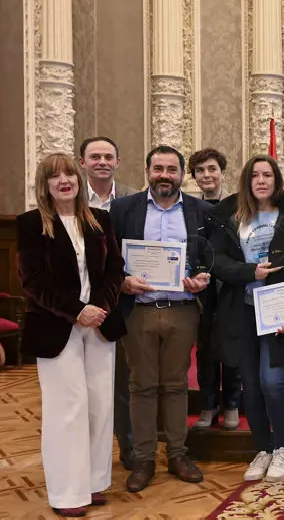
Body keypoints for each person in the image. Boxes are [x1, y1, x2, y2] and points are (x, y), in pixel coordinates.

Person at [17, 153, 126, 517]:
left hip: (99, 324)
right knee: (68, 409)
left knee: (98, 405)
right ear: (44, 185)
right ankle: (66, 493)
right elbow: (33, 281)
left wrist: (98, 308)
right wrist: (76, 311)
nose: (64, 180)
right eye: (55, 176)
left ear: (79, 180)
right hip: (55, 326)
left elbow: (114, 270)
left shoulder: (100, 220)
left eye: (69, 174)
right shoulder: (31, 223)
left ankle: (93, 482)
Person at [207, 154, 284, 483]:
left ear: (276, 180)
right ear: (246, 180)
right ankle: (263, 448)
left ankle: (283, 448)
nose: (260, 181)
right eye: (254, 175)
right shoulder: (230, 216)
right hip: (242, 309)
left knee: (272, 381)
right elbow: (216, 261)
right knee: (250, 386)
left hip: (279, 310)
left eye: (267, 175)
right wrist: (248, 271)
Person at [109, 146, 212, 492]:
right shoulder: (123, 209)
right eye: (158, 168)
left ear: (183, 174)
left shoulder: (202, 210)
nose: (164, 175)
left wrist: (203, 278)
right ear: (147, 171)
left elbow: (210, 258)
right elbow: (108, 257)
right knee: (141, 386)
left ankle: (178, 454)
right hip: (138, 311)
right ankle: (144, 459)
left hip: (183, 311)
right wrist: (121, 280)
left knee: (176, 385)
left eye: (171, 169)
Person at [78, 136, 136, 470]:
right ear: (82, 162)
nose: (102, 161)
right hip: (75, 304)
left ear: (118, 162)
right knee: (77, 382)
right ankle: (81, 450)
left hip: (119, 302)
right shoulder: (66, 196)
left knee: (120, 381)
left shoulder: (132, 199)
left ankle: (127, 448)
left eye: (108, 157)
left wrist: (126, 280)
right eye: (94, 156)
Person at [186, 148, 239, 431]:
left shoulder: (238, 207)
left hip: (231, 287)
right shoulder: (191, 210)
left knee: (231, 347)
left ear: (222, 172)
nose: (207, 175)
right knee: (204, 349)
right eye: (200, 171)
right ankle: (208, 405)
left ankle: (231, 404)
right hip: (201, 291)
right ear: (194, 177)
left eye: (212, 169)